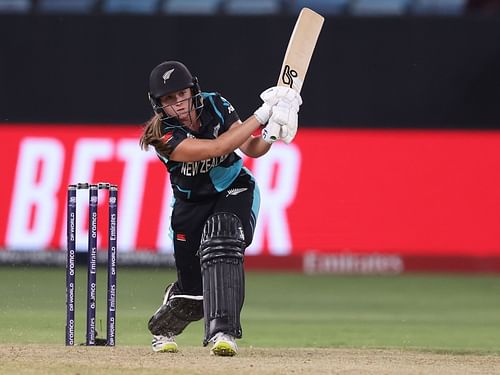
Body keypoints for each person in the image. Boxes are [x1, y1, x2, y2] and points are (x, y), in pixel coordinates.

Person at [139, 61, 301, 356]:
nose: (179, 103)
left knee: (224, 237)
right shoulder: (162, 134)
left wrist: (270, 134)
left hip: (234, 187)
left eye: (182, 93)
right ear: (159, 105)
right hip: (190, 207)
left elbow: (250, 149)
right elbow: (217, 148)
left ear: (193, 89)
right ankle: (164, 327)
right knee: (194, 296)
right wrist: (263, 114)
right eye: (169, 99)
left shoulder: (215, 104)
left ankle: (222, 332)